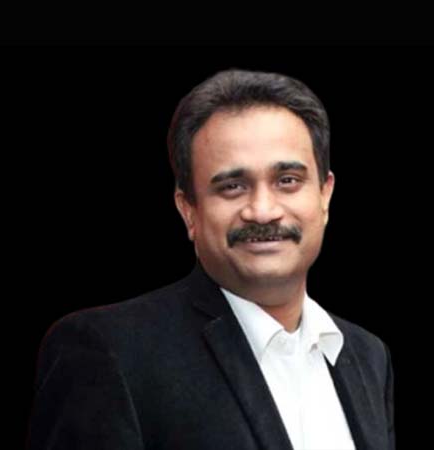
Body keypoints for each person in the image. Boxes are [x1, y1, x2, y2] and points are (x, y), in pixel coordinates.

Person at [26, 69, 395, 450]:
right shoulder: (109, 352)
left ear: (324, 195)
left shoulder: (367, 357)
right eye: (232, 186)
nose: (263, 210)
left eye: (287, 180)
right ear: (188, 210)